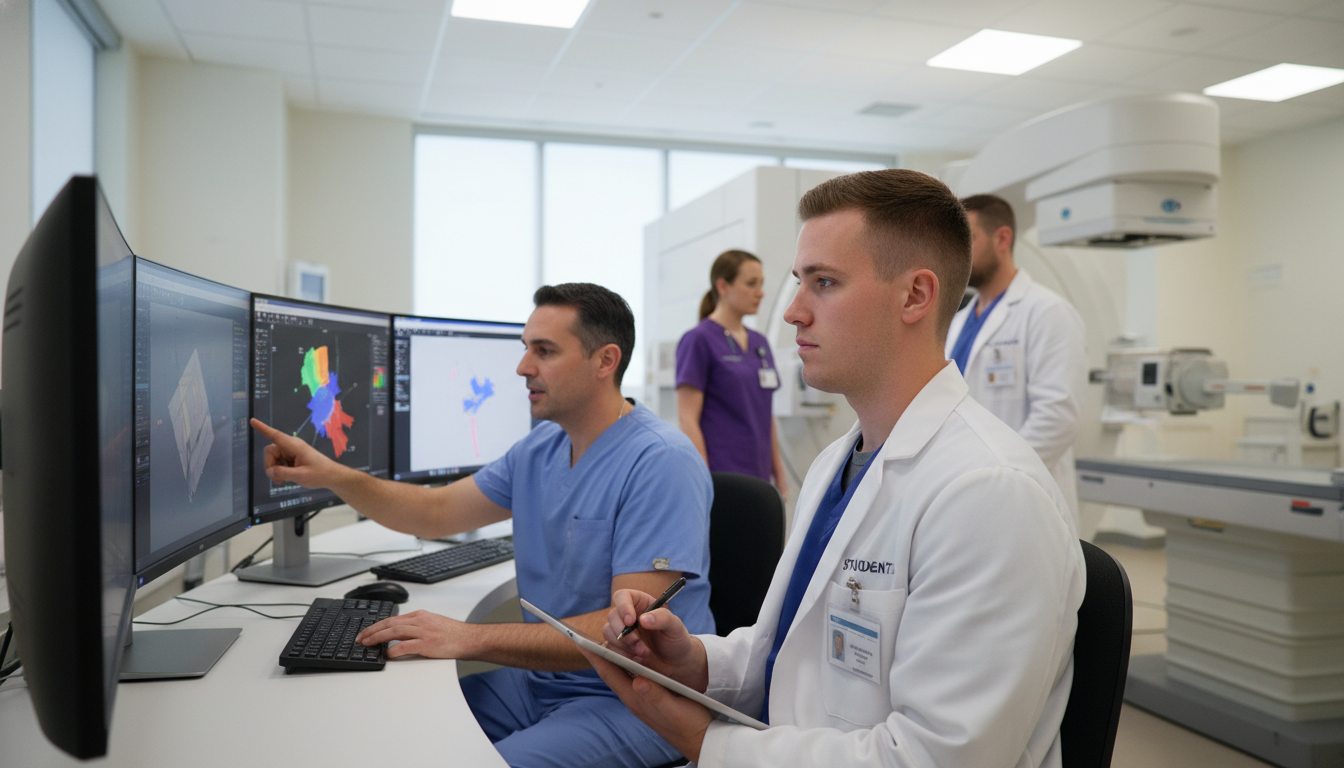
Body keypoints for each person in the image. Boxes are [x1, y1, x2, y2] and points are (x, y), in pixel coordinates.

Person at [577, 170, 1085, 768]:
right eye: (800, 282)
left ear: (915, 296)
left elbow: (934, 758)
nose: (793, 312)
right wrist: (697, 661)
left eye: (824, 283)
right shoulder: (838, 463)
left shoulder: (990, 495)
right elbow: (793, 651)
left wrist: (704, 740)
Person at [251, 283, 714, 768]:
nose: (523, 367)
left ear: (605, 361)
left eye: (544, 351)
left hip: (637, 700)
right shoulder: (540, 449)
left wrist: (469, 637)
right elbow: (434, 511)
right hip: (541, 682)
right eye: (526, 348)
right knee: (391, 730)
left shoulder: (662, 462)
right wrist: (330, 474)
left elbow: (628, 634)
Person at [946, 194, 1088, 524]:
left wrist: (1001, 478)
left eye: (968, 239)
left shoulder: (1048, 313)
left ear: (1002, 239)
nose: (958, 253)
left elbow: (1057, 417)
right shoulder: (958, 321)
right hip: (963, 487)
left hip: (1023, 496)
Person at [676, 250, 787, 495]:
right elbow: (687, 417)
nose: (760, 292)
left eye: (761, 284)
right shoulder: (698, 340)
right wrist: (703, 478)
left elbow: (766, 413)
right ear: (723, 286)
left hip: (759, 476)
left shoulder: (760, 343)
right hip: (720, 476)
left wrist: (778, 472)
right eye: (751, 284)